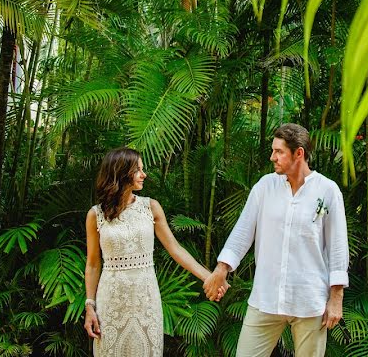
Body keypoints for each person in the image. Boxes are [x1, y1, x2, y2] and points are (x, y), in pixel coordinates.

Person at [203, 123, 348, 356]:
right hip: (266, 296)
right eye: (273, 151)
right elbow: (242, 232)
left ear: (298, 153)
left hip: (309, 299)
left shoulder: (328, 190)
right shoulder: (264, 186)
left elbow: (338, 247)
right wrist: (222, 269)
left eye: (279, 151)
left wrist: (336, 298)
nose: (273, 157)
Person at [84, 147, 228, 356]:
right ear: (121, 172)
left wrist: (210, 277)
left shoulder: (150, 207)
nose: (144, 175)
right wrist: (90, 306)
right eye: (138, 170)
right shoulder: (95, 214)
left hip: (145, 299)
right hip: (111, 302)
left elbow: (175, 249)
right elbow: (93, 264)